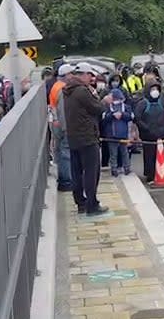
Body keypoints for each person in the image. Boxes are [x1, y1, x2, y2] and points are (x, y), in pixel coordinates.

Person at [64, 63, 110, 216]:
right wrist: (103, 100)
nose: (91, 78)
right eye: (90, 75)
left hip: (73, 137)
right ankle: (92, 205)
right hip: (87, 137)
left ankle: (80, 202)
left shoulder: (68, 90)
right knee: (91, 172)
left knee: (77, 172)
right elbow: (97, 108)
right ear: (82, 75)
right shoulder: (82, 91)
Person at [135, 78, 164, 184]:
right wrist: (146, 129)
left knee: (163, 155)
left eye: (156, 88)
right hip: (149, 136)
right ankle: (150, 175)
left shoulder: (162, 102)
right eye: (152, 88)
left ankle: (162, 173)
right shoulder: (142, 103)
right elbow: (138, 118)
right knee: (149, 156)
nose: (155, 91)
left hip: (163, 134)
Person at [49, 64, 75, 191]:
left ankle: (63, 178)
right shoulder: (63, 89)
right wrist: (67, 128)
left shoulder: (56, 86)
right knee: (65, 152)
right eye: (71, 74)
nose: (73, 76)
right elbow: (63, 111)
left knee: (59, 151)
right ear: (67, 75)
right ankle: (67, 180)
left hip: (56, 124)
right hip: (62, 125)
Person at [102, 88, 134, 176]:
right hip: (111, 135)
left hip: (123, 134)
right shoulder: (108, 107)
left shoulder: (126, 107)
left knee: (124, 152)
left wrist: (122, 115)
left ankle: (126, 167)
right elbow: (104, 119)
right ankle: (114, 169)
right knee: (113, 153)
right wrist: (112, 115)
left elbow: (131, 117)